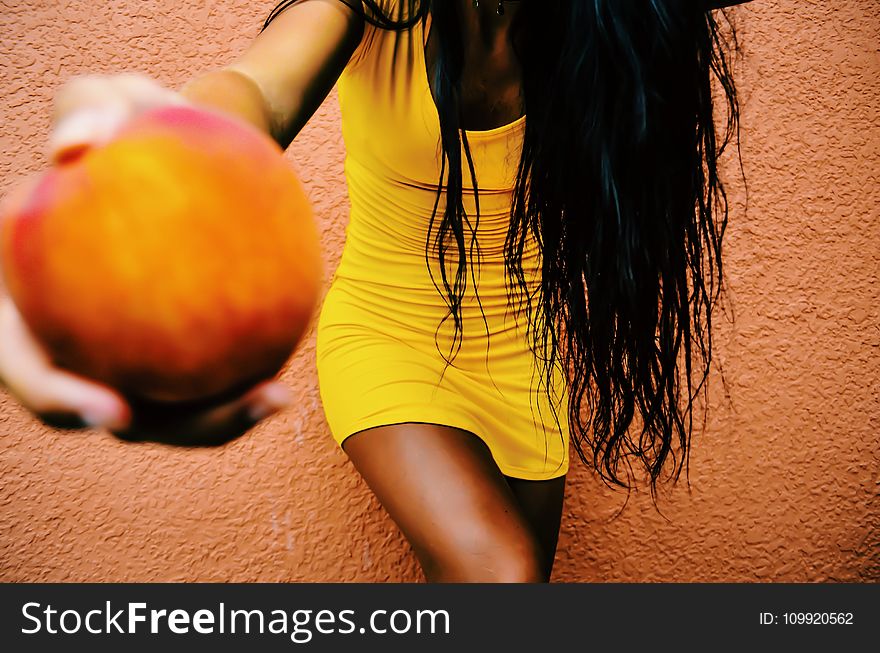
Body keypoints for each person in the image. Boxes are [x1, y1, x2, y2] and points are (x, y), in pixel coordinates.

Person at [0, 0, 748, 581]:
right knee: (500, 570)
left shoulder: (613, 27)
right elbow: (259, 88)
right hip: (389, 337)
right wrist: (171, 145)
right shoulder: (374, 6)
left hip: (528, 355)